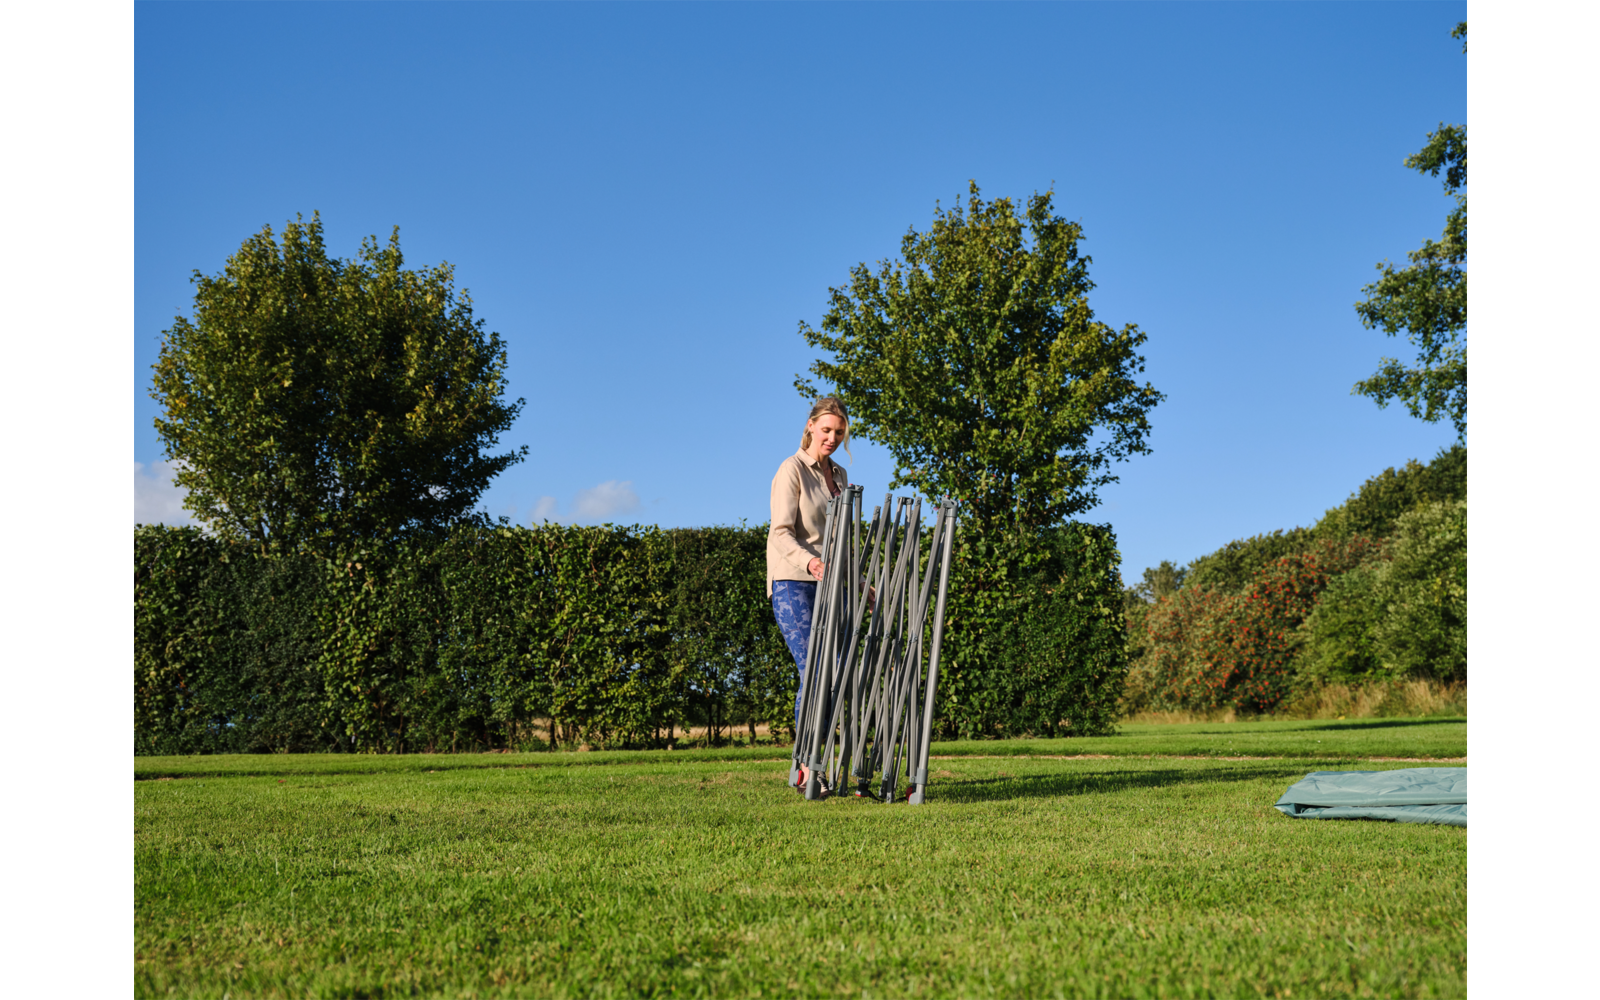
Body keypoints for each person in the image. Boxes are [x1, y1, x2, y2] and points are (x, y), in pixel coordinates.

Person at [768, 397, 851, 747]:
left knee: (833, 674)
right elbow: (780, 531)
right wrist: (811, 562)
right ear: (811, 427)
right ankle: (807, 762)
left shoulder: (841, 476)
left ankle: (822, 755)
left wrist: (858, 582)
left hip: (830, 583)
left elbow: (843, 538)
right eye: (827, 429)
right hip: (793, 581)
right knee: (815, 670)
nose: (832, 437)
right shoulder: (792, 468)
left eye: (839, 432)